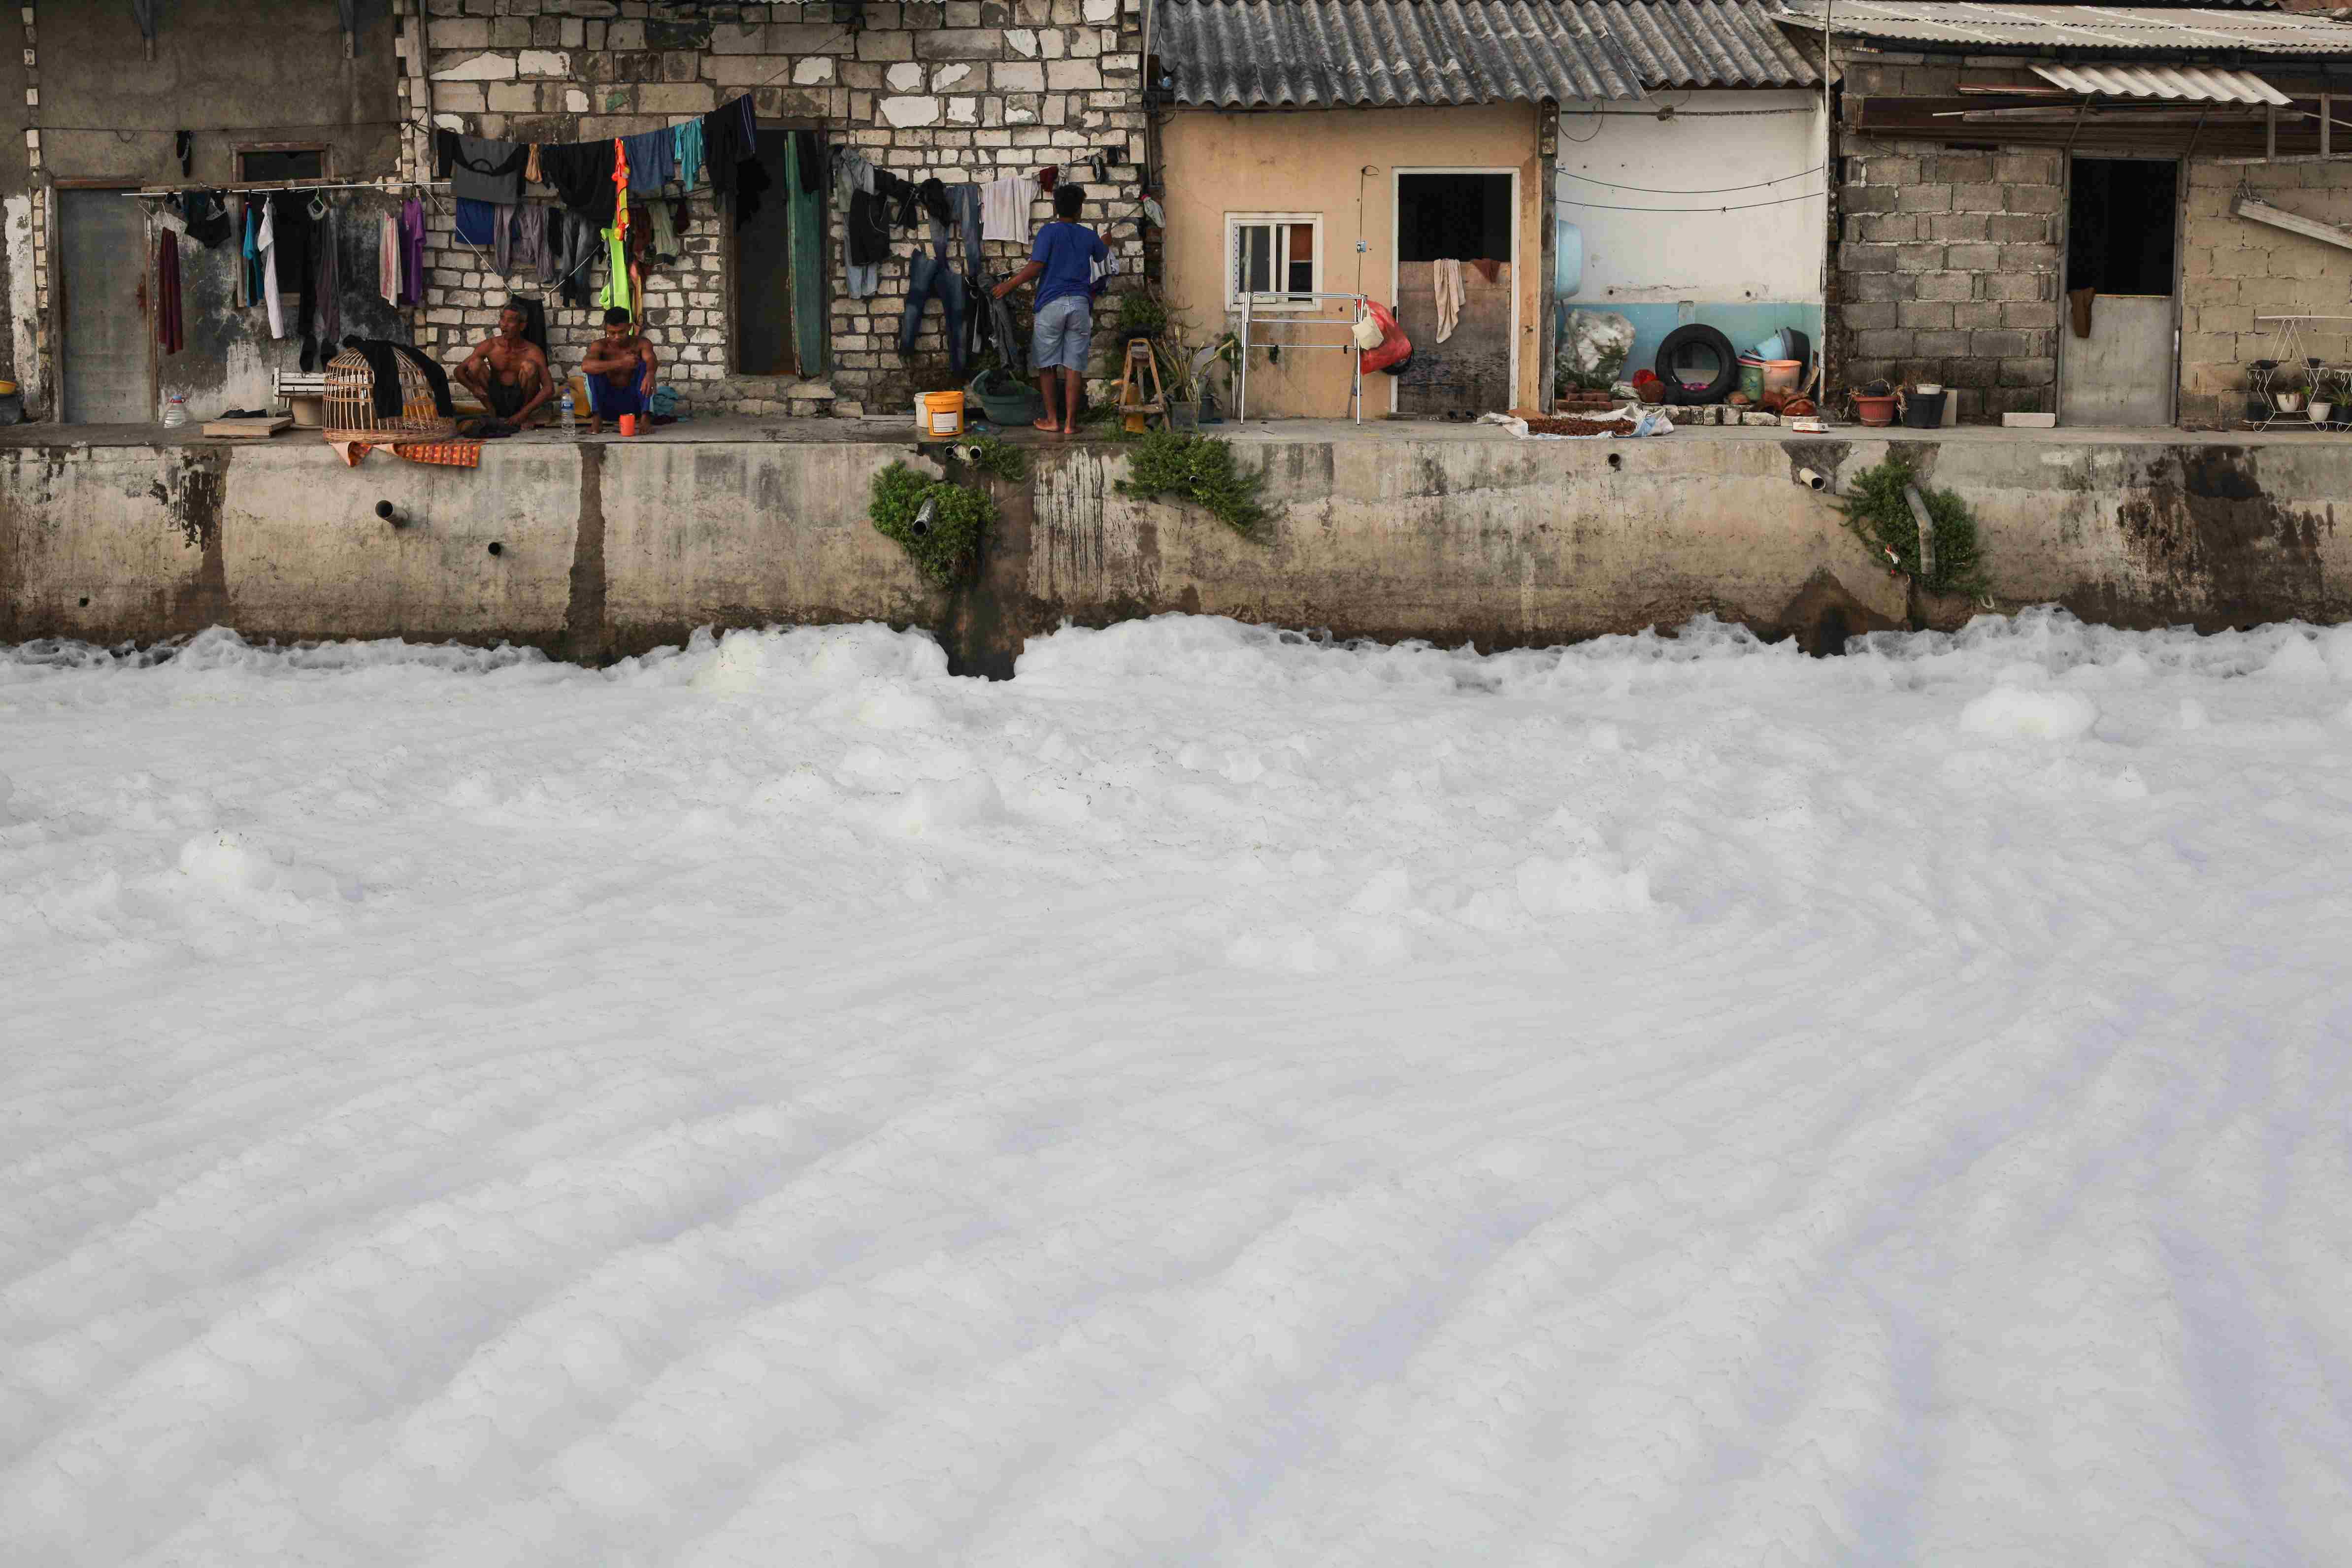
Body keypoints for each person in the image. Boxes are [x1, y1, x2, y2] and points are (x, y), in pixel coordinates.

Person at [992, 182, 1106, 434]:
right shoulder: (1089, 235)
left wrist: (1008, 286)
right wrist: (1105, 241)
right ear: (1080, 211)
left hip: (1051, 305)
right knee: (1074, 366)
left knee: (1046, 365)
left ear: (1055, 208)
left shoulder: (1048, 233)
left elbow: (1036, 267)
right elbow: (1101, 256)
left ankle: (1053, 420)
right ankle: (1070, 425)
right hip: (1079, 305)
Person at [452, 300, 554, 426]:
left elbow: (549, 389)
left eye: (510, 321)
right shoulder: (491, 346)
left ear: (522, 326)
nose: (504, 325)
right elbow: (459, 371)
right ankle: (493, 414)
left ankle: (524, 416)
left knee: (530, 366)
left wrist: (523, 414)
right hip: (495, 399)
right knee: (475, 364)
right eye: (502, 319)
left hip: (521, 402)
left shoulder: (533, 351)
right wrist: (474, 388)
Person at [580, 306, 659, 433]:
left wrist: (650, 374)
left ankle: (646, 419)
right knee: (593, 370)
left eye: (621, 332)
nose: (617, 337)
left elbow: (651, 359)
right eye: (612, 333)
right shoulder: (600, 345)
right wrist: (621, 363)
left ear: (629, 327)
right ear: (605, 329)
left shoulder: (642, 343)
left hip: (635, 407)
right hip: (607, 405)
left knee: (645, 367)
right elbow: (585, 366)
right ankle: (596, 419)